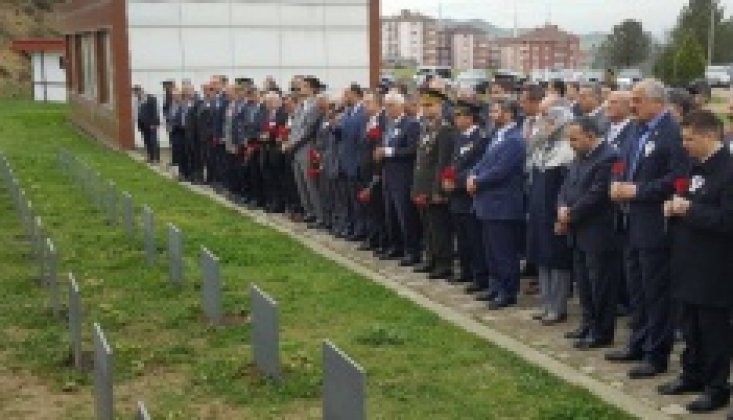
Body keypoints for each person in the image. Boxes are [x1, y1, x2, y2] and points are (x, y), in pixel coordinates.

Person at [607, 78, 690, 379]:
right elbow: (622, 164)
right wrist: (617, 184)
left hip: (656, 222)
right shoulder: (635, 129)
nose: (633, 105)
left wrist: (637, 191)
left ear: (657, 102)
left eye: (638, 99)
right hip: (630, 221)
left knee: (656, 291)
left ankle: (657, 354)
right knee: (637, 288)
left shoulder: (673, 133)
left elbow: (678, 178)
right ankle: (638, 342)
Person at [658, 110, 733, 414]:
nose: (684, 145)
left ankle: (717, 387)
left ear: (709, 136)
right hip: (686, 260)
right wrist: (672, 207)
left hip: (714, 266)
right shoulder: (692, 165)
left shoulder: (728, 170)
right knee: (689, 324)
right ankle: (692, 374)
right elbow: (684, 193)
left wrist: (688, 210)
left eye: (689, 139)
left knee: (712, 330)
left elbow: (727, 220)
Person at [558, 116, 621, 349]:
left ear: (590, 136)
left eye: (574, 139)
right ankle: (588, 323)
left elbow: (597, 195)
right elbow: (566, 187)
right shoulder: (579, 156)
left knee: (600, 284)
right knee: (584, 282)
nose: (570, 143)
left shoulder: (608, 157)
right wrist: (562, 207)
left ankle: (602, 331)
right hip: (578, 229)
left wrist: (571, 213)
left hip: (599, 232)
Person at [467, 99, 526, 309]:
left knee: (504, 252)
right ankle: (495, 287)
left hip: (503, 204)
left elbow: (501, 170)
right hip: (488, 203)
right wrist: (472, 175)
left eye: (496, 110)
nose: (492, 114)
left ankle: (507, 291)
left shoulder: (514, 140)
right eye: (491, 110)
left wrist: (478, 181)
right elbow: (483, 162)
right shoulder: (497, 136)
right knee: (491, 251)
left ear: (509, 114)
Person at [526, 105, 575, 325]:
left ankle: (558, 306)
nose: (546, 124)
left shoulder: (567, 151)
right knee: (542, 258)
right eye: (546, 119)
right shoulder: (542, 147)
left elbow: (567, 187)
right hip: (538, 212)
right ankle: (546, 303)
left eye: (551, 120)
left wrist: (561, 214)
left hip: (556, 213)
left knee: (558, 260)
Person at [411, 88, 457, 280]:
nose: (425, 109)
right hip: (423, 183)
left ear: (439, 106)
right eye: (423, 105)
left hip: (435, 186)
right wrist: (417, 187)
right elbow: (421, 159)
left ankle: (444, 263)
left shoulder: (445, 129)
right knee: (428, 226)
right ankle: (431, 258)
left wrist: (437, 190)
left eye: (429, 105)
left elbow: (442, 162)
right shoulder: (426, 127)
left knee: (440, 227)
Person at [445, 99, 490, 295]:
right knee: (462, 237)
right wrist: (447, 178)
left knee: (474, 238)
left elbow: (476, 166)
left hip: (469, 194)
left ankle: (479, 276)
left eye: (459, 115)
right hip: (456, 195)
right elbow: (455, 163)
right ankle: (466, 271)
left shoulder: (480, 139)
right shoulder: (459, 137)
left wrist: (457, 181)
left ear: (470, 118)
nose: (456, 119)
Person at [375, 91, 421, 266]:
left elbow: (412, 150)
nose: (387, 109)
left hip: (403, 175)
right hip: (389, 173)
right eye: (386, 105)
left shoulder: (411, 124)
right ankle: (396, 246)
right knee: (391, 213)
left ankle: (412, 250)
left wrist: (389, 151)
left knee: (405, 215)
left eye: (391, 105)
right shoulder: (389, 124)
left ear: (401, 106)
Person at [284, 77, 323, 225]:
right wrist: (290, 141)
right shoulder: (301, 105)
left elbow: (308, 130)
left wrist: (293, 144)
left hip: (306, 148)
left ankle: (319, 215)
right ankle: (309, 211)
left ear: (312, 89)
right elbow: (295, 127)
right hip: (295, 149)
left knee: (310, 185)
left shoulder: (315, 106)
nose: (301, 89)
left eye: (305, 86)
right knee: (301, 184)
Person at [134, 85, 161, 164]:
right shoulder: (137, 100)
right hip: (143, 124)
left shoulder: (151, 99)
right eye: (135, 93)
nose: (136, 94)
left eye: (137, 92)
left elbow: (155, 111)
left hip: (151, 124)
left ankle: (156, 158)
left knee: (153, 141)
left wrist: (153, 123)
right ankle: (150, 157)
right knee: (147, 141)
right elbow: (138, 112)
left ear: (141, 91)